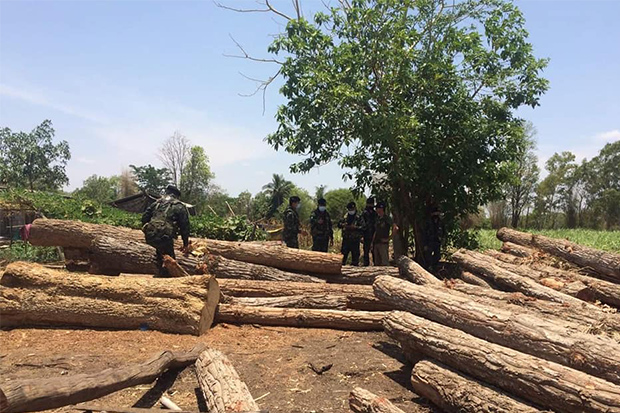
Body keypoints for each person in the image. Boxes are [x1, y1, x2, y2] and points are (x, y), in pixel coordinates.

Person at [141, 184, 190, 277]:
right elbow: (185, 226)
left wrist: (147, 229)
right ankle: (166, 280)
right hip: (165, 237)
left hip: (150, 235)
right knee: (170, 261)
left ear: (167, 193)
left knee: (160, 255)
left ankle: (160, 273)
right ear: (177, 196)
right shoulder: (179, 206)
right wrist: (185, 244)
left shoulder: (156, 203)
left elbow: (144, 218)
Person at [338, 201, 366, 266]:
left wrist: (355, 227)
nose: (351, 211)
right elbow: (339, 224)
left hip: (355, 241)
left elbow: (363, 227)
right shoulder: (345, 217)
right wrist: (343, 225)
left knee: (355, 258)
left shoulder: (359, 217)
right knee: (343, 258)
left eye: (352, 209)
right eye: (349, 209)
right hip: (346, 240)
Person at [372, 202, 398, 266]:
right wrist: (372, 243)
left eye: (377, 208)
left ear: (381, 209)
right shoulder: (377, 218)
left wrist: (389, 238)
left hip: (383, 243)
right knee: (376, 263)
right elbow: (376, 231)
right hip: (376, 243)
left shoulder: (387, 218)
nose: (376, 210)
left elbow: (395, 228)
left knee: (384, 263)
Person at [361, 197, 377, 266]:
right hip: (366, 235)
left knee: (374, 251)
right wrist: (361, 236)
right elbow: (362, 225)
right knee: (366, 251)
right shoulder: (364, 213)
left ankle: (376, 264)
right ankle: (366, 265)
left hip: (374, 235)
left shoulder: (374, 213)